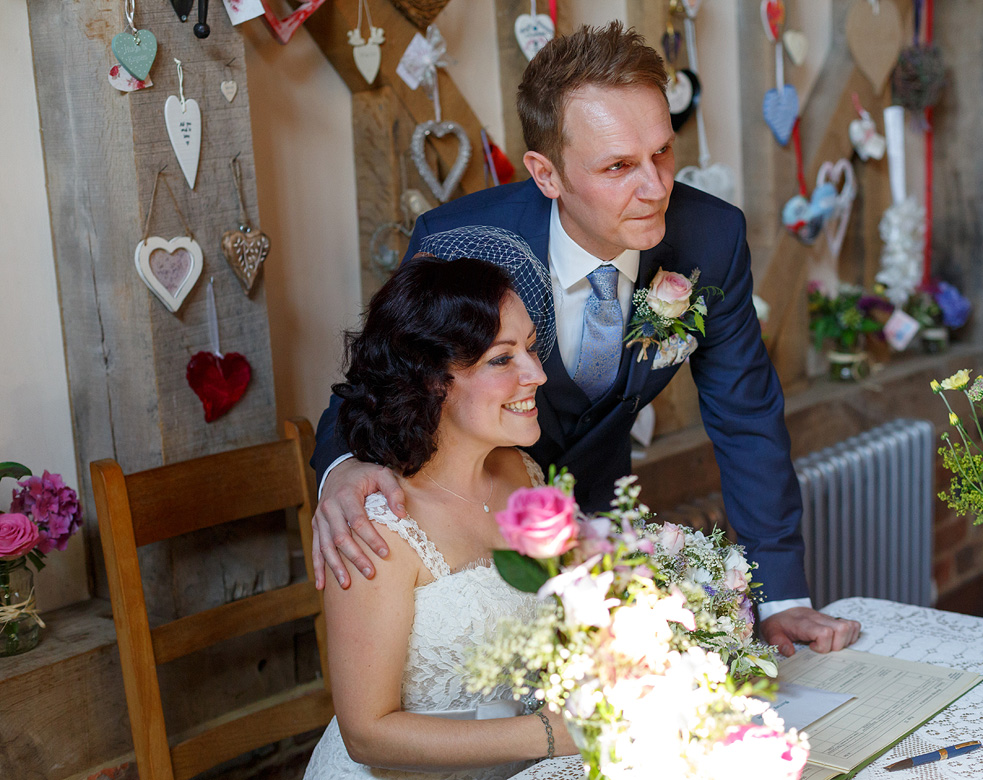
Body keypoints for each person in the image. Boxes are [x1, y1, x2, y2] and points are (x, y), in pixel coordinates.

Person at [310, 22, 860, 657]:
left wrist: (781, 598)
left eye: (662, 152)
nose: (655, 188)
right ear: (546, 174)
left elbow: (746, 415)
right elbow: (377, 385)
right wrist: (345, 467)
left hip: (597, 539)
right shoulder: (462, 244)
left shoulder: (711, 236)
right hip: (470, 537)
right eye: (619, 166)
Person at [303, 255, 576, 779]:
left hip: (515, 759)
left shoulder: (524, 473)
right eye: (502, 359)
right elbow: (366, 732)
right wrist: (550, 734)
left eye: (532, 348)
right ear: (432, 381)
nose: (537, 374)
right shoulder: (375, 526)